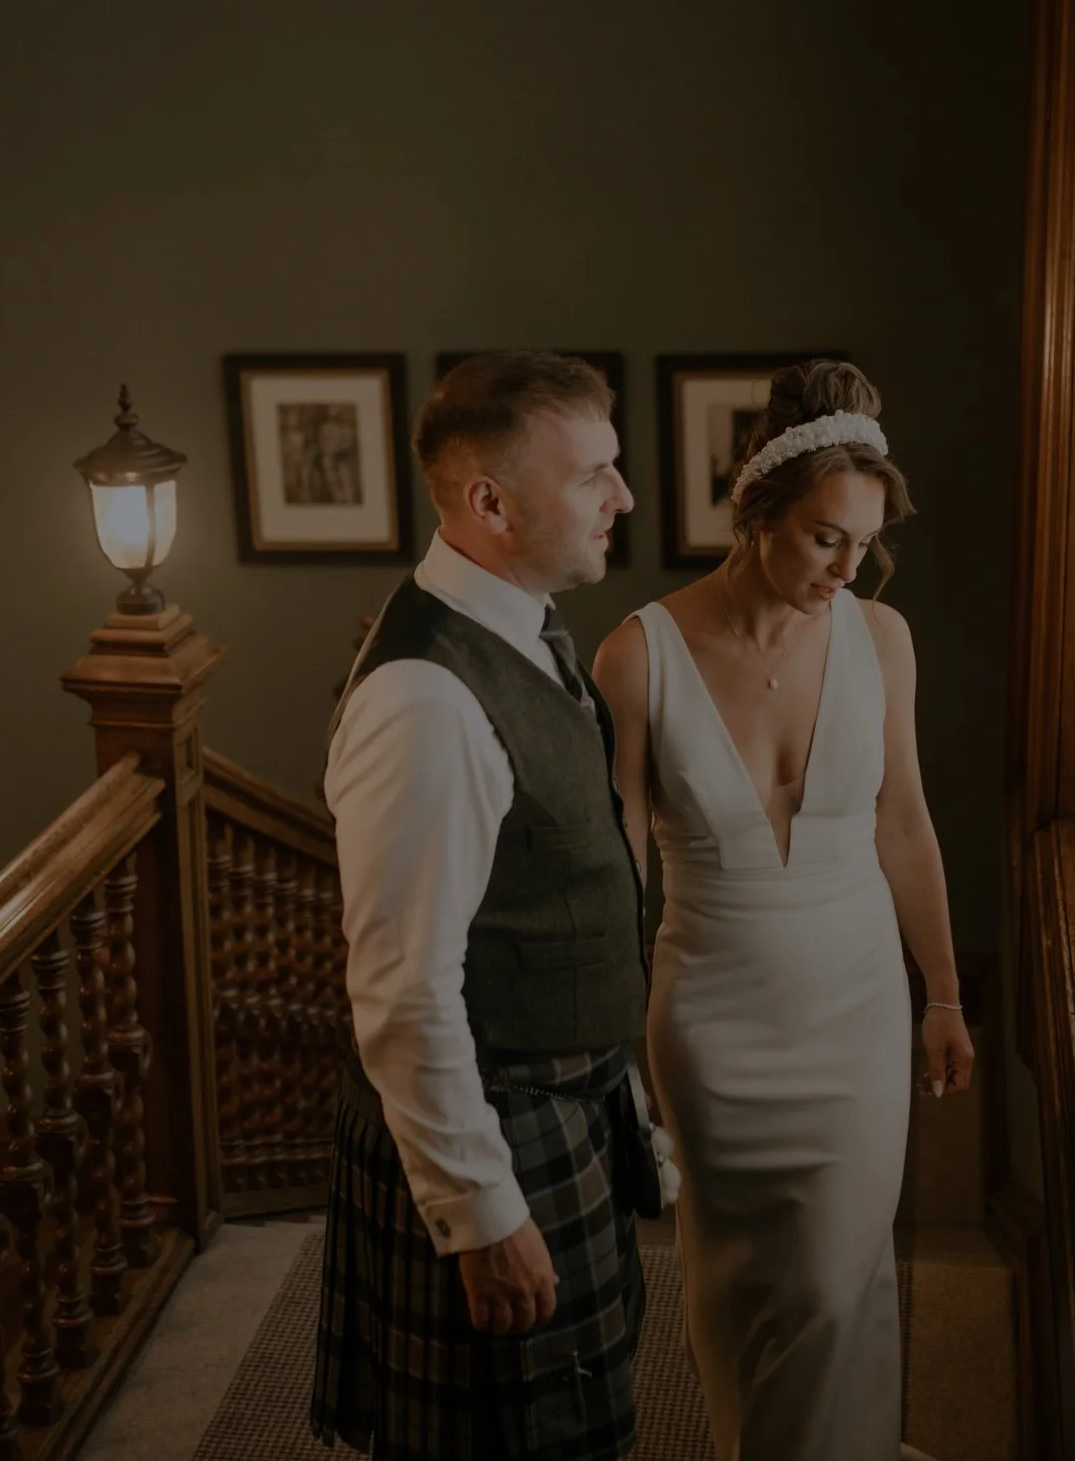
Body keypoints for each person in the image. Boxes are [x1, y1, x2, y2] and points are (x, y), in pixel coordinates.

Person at [593, 360, 973, 1461]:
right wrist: (615, 1046)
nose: (847, 567)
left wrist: (942, 990)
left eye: (863, 543)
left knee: (831, 1276)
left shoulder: (879, 639)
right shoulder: (637, 655)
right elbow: (619, 867)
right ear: (756, 512)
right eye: (822, 537)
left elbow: (904, 821)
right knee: (737, 1277)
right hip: (710, 1017)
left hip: (856, 1012)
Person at [313, 352, 652, 1461]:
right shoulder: (425, 699)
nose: (624, 496)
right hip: (499, 1126)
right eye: (594, 473)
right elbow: (403, 991)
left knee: (583, 1421)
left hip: (561, 1106)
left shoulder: (523, 625)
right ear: (489, 502)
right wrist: (480, 1208)